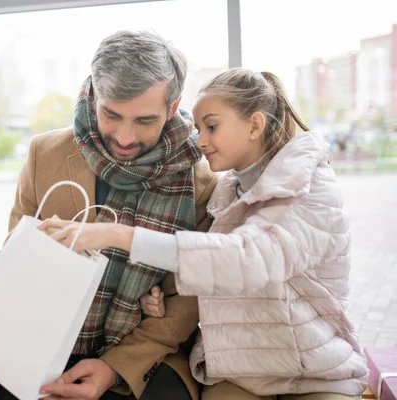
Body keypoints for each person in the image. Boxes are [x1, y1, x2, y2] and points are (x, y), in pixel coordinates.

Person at [40, 68, 369, 399]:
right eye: (198, 129)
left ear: (255, 125)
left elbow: (245, 259)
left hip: (316, 372)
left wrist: (117, 235)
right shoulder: (226, 192)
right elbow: (205, 268)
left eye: (212, 126)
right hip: (240, 372)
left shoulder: (312, 189)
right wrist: (153, 300)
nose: (199, 141)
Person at [0, 30, 217, 400]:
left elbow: (185, 305)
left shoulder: (199, 178)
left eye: (144, 120)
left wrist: (113, 368)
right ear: (94, 96)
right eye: (112, 115)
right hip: (41, 341)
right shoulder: (43, 154)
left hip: (141, 350)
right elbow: (12, 259)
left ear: (172, 109)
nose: (125, 138)